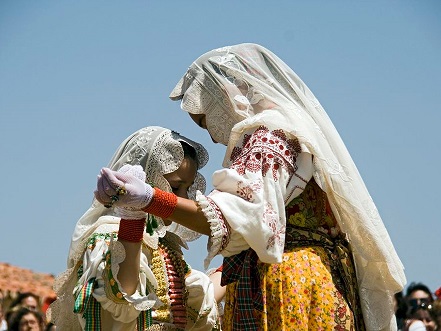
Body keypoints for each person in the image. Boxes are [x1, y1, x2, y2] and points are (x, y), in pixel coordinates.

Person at [94, 43, 406, 330]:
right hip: (318, 276)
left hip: (287, 284)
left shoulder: (267, 138)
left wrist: (148, 199)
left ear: (228, 96)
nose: (215, 137)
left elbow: (230, 217)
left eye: (206, 121)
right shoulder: (292, 129)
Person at [50, 126, 219, 330]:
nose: (182, 198)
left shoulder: (164, 245)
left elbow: (199, 296)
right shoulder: (109, 236)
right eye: (175, 187)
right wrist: (132, 218)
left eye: (188, 188)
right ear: (147, 178)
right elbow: (122, 297)